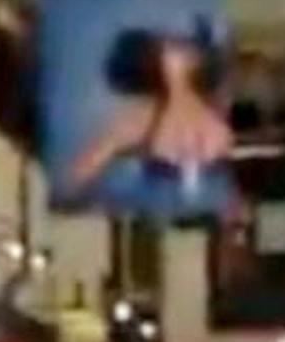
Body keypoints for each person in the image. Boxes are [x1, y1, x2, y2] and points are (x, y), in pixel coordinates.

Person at [65, 18, 236, 218]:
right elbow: (77, 176)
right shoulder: (141, 118)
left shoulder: (218, 107)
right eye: (175, 47)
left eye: (188, 46)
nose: (186, 52)